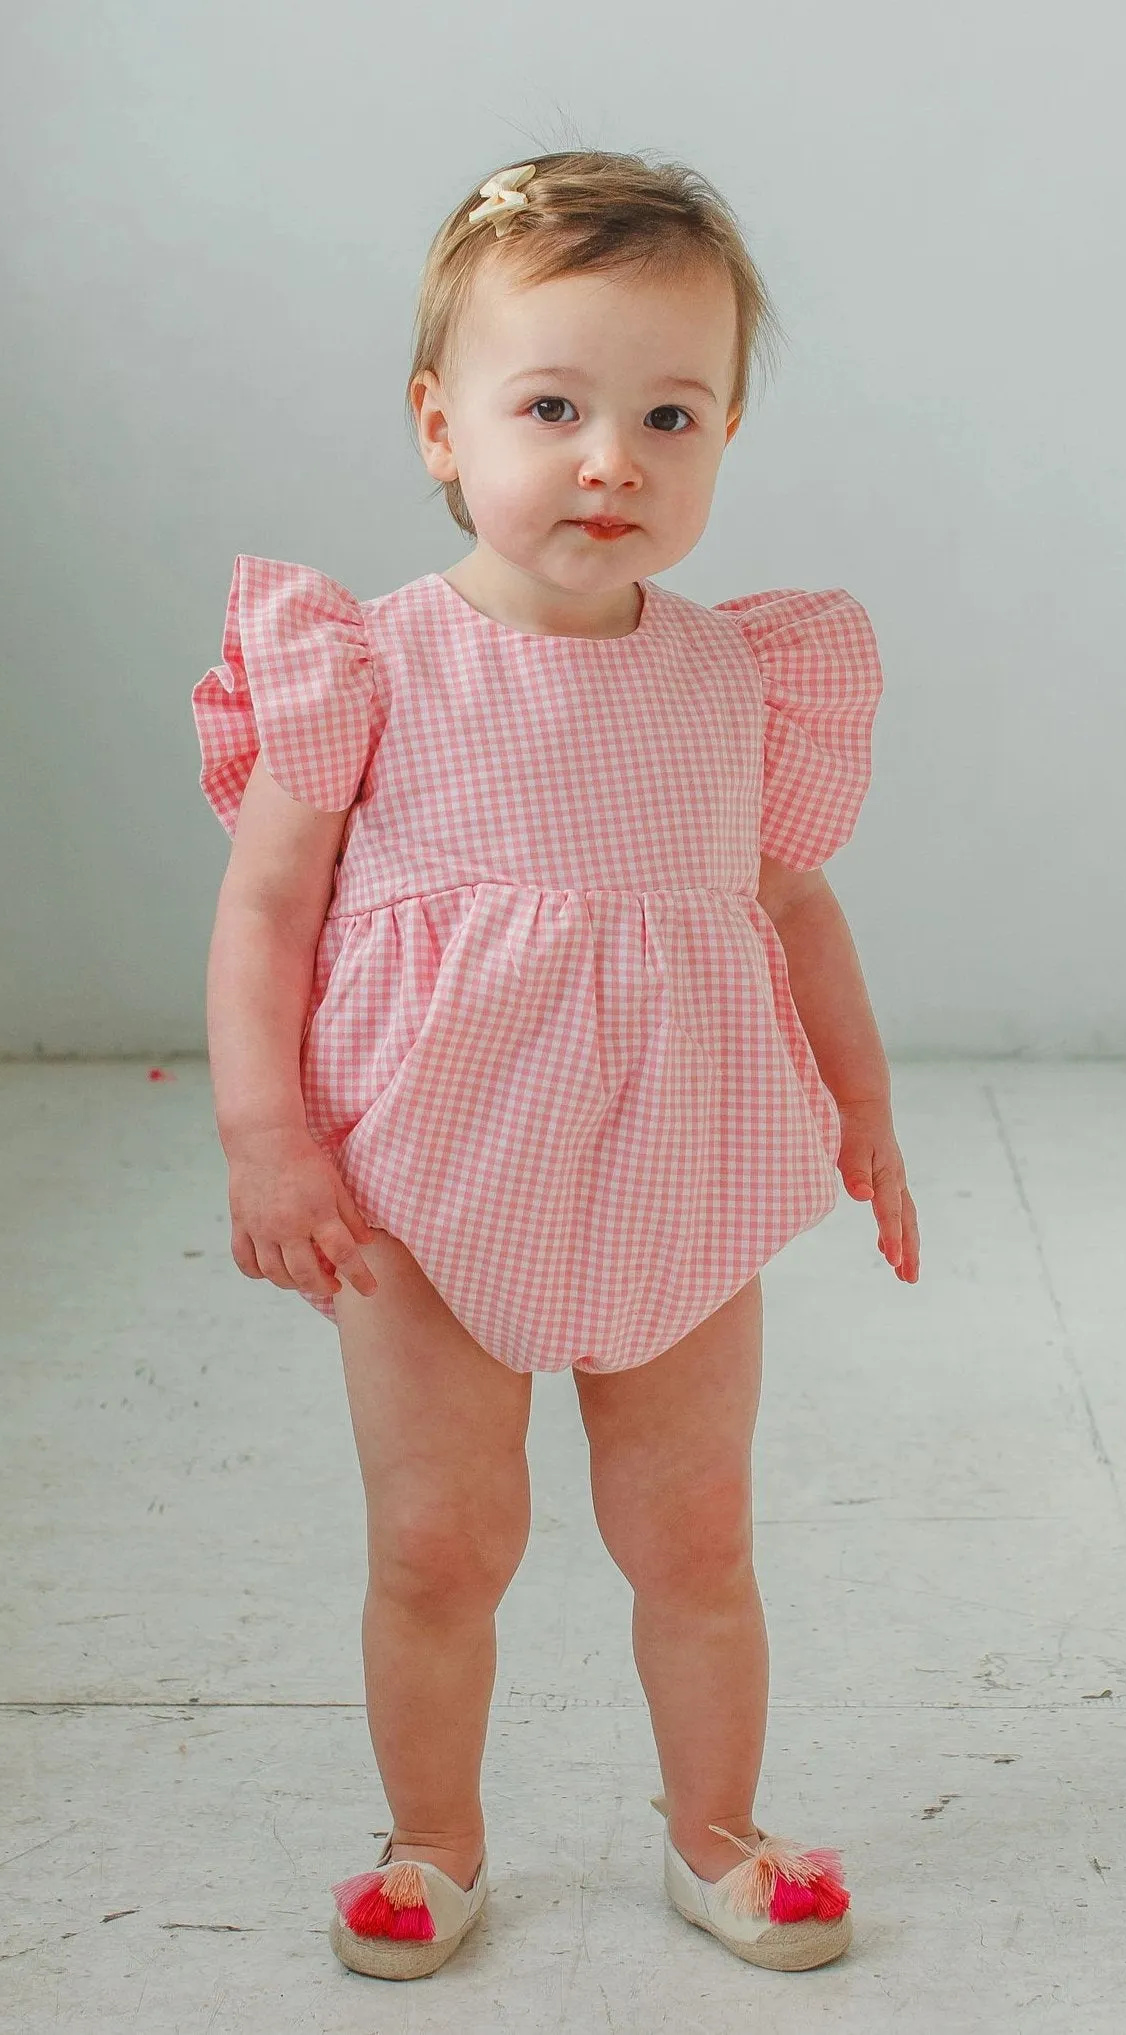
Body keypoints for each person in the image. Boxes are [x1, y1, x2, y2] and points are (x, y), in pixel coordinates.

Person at [194, 149, 920, 1981]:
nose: (613, 457)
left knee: (694, 1532)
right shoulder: (369, 663)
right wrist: (268, 1136)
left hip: (676, 1156)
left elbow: (795, 910)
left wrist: (865, 1114)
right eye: (553, 406)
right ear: (443, 425)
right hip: (420, 1177)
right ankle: (430, 1841)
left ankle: (717, 1834)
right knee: (443, 1539)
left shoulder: (733, 679)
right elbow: (268, 913)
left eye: (668, 413)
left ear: (727, 432)